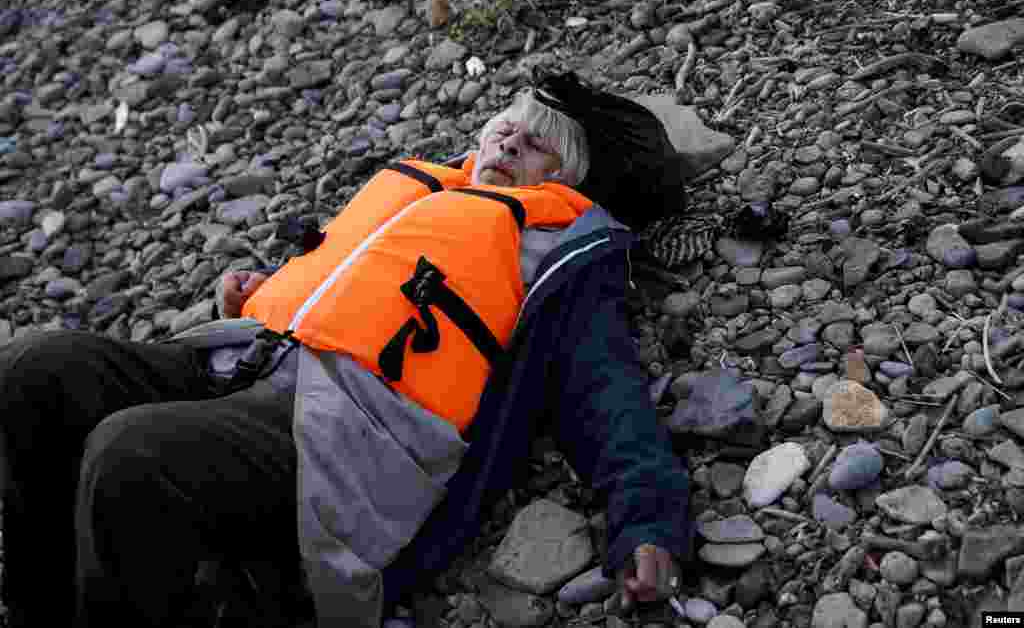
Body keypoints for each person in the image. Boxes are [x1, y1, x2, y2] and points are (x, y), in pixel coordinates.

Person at [0, 71, 692, 627]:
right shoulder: (431, 189)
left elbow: (605, 390)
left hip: (346, 425)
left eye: (538, 145)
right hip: (245, 356)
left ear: (564, 183)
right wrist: (258, 296)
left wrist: (648, 520)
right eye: (506, 127)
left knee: (130, 455)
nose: (512, 141)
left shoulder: (557, 251)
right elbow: (351, 285)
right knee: (34, 369)